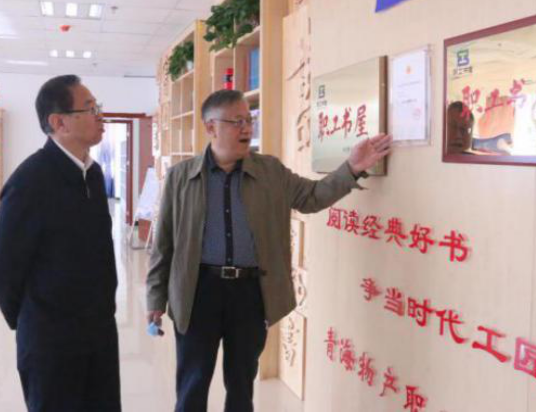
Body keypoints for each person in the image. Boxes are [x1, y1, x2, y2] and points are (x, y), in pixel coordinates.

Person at [146, 89, 392, 412]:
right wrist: (155, 299)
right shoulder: (181, 177)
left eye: (249, 120)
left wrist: (352, 167)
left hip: (249, 293)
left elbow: (312, 197)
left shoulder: (270, 171)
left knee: (241, 385)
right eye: (236, 121)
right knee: (192, 383)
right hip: (196, 291)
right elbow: (163, 243)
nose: (246, 128)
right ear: (211, 127)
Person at [0, 75, 121, 412]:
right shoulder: (30, 181)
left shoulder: (92, 174)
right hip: (51, 343)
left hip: (99, 332)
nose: (100, 116)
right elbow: (1, 273)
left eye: (98, 107)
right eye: (90, 109)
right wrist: (36, 321)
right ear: (59, 123)